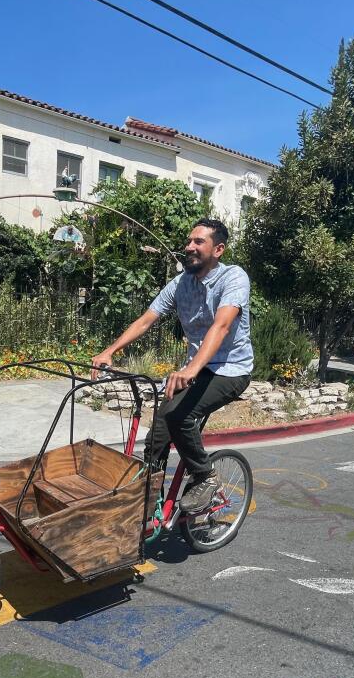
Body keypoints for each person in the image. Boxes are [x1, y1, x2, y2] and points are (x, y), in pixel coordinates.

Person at [92, 218, 251, 513]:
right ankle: (148, 505)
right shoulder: (180, 284)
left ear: (218, 249)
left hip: (230, 369)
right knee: (156, 437)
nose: (189, 247)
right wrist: (110, 350)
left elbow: (222, 326)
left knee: (181, 416)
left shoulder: (234, 278)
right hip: (196, 368)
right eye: (189, 241)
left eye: (198, 242)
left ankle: (205, 477)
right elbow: (146, 320)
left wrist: (190, 370)